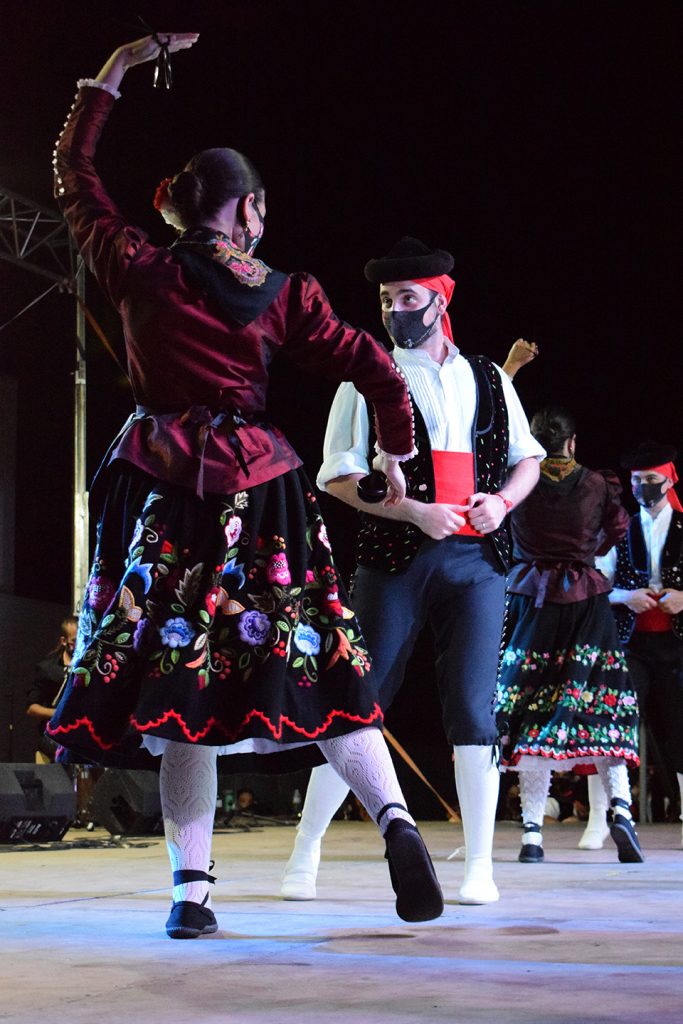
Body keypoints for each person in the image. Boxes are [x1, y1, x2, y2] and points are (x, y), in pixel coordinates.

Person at [47, 35, 443, 937]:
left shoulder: (137, 264)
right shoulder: (286, 292)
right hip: (263, 495)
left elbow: (73, 171)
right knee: (321, 659)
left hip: (167, 491)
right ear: (250, 208)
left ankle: (190, 896)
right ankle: (393, 818)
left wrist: (114, 72)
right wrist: (394, 456)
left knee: (179, 686)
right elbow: (377, 367)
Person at [280, 236, 543, 905]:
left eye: (406, 298)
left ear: (439, 301)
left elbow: (527, 458)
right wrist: (414, 512)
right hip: (394, 557)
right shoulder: (365, 376)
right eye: (385, 299)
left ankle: (479, 865)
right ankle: (306, 847)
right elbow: (336, 475)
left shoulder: (487, 376)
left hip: (478, 560)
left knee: (473, 709)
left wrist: (501, 503)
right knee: (358, 700)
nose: (393, 310)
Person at [496, 407, 644, 863]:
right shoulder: (598, 483)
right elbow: (615, 530)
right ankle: (622, 810)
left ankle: (532, 834)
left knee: (530, 711)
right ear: (572, 442)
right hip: (586, 600)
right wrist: (581, 549)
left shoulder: (517, 481)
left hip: (532, 601)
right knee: (602, 704)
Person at [596, 441, 683, 847]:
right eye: (636, 481)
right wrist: (625, 597)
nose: (642, 487)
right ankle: (613, 811)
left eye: (650, 479)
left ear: (669, 480)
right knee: (618, 722)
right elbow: (599, 584)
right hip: (632, 644)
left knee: (679, 727)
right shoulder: (620, 529)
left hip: (677, 645)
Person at [26, 616, 78, 763]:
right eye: (75, 640)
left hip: (80, 733)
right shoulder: (48, 669)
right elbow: (31, 708)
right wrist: (59, 713)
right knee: (67, 754)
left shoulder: (90, 667)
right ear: (64, 641)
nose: (81, 644)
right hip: (53, 735)